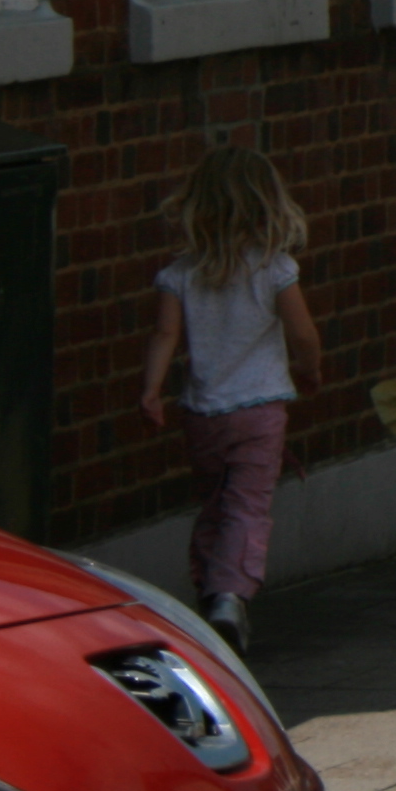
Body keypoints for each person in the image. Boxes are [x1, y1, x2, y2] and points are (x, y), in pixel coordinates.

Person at [141, 146, 322, 652]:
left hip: (202, 414)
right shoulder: (276, 269)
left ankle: (207, 589)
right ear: (269, 203)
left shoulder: (180, 274)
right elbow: (302, 332)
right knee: (248, 505)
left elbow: (163, 335)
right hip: (260, 410)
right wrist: (310, 368)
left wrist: (151, 391)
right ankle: (229, 595)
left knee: (215, 503)